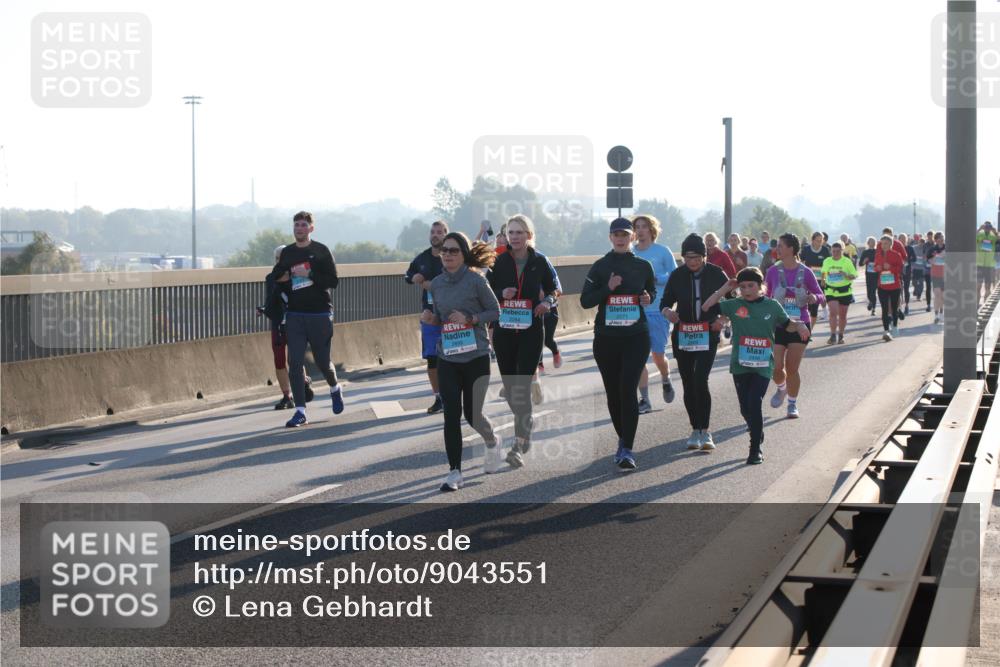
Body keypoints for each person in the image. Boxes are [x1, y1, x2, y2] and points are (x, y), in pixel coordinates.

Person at [702, 267, 810, 464]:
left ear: (761, 286)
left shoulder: (772, 306)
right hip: (740, 364)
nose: (746, 290)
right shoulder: (734, 304)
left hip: (762, 364)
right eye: (742, 287)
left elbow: (787, 324)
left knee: (754, 402)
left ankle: (755, 449)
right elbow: (706, 307)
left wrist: (801, 324)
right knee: (745, 408)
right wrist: (725, 287)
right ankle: (756, 429)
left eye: (751, 286)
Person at [423, 232, 501, 491]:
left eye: (454, 250)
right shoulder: (436, 284)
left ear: (464, 254)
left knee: (472, 414)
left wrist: (470, 319)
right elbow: (440, 317)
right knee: (451, 415)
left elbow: (495, 311)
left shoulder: (476, 281)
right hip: (448, 356)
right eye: (445, 250)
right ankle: (454, 472)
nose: (447, 254)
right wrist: (431, 319)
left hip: (476, 356)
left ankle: (492, 442)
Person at [580, 217, 656, 471]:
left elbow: (650, 291)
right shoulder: (601, 266)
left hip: (636, 336)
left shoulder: (643, 266)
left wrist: (648, 297)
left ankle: (627, 448)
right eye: (616, 234)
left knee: (627, 389)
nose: (621, 238)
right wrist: (607, 288)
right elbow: (585, 301)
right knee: (613, 393)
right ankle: (623, 439)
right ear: (611, 237)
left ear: (632, 237)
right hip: (606, 339)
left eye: (625, 234)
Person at [487, 215, 557, 468]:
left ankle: (518, 443)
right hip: (504, 331)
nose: (514, 236)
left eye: (519, 232)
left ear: (529, 235)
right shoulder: (497, 261)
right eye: (510, 232)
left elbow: (554, 289)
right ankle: (526, 421)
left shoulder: (540, 261)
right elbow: (483, 293)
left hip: (530, 331)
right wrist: (498, 294)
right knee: (510, 387)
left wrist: (546, 303)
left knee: (521, 383)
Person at [268, 211, 343, 427]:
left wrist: (308, 274)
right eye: (296, 225)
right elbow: (276, 276)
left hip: (319, 313)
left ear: (311, 228)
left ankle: (334, 387)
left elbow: (333, 281)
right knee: (295, 362)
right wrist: (285, 276)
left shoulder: (320, 251)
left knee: (322, 362)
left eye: (303, 225)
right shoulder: (288, 253)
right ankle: (300, 410)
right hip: (295, 314)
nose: (299, 229)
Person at [660, 234, 729, 450]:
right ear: (683, 257)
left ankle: (706, 431)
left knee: (701, 379)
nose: (693, 262)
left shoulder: (716, 274)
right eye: (688, 257)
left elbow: (732, 300)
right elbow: (665, 302)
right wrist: (668, 313)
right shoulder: (677, 275)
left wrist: (722, 320)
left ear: (705, 257)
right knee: (688, 382)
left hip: (707, 333)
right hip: (683, 334)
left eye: (697, 257)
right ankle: (695, 429)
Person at [765, 233, 825, 419]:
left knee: (792, 369)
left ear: (791, 249)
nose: (778, 249)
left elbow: (821, 295)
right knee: (775, 367)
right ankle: (782, 388)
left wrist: (814, 297)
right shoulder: (772, 272)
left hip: (800, 324)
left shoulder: (805, 272)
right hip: (778, 324)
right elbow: (765, 296)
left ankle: (792, 403)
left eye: (781, 246)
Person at [631, 214, 677, 413]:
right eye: (637, 227)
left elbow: (675, 275)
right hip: (634, 312)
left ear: (651, 230)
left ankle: (666, 378)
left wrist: (657, 278)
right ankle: (645, 399)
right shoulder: (630, 253)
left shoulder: (662, 251)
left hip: (657, 310)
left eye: (644, 227)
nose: (640, 230)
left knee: (658, 355)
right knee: (638, 357)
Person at [262, 244, 314, 410]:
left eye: (283, 258)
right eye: (277, 259)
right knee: (279, 360)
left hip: (295, 321)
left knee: (294, 359)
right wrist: (264, 309)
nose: (280, 262)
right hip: (278, 323)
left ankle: (303, 383)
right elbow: (270, 300)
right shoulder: (271, 278)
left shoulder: (298, 276)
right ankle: (287, 396)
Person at [404, 220, 447, 414]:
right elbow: (408, 274)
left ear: (446, 234)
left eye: (439, 232)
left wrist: (434, 286)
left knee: (452, 358)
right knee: (432, 359)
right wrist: (413, 278)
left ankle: (454, 395)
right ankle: (438, 397)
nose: (435, 235)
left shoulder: (451, 257)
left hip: (450, 315)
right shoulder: (422, 258)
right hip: (429, 314)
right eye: (433, 232)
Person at [821, 242, 857, 344]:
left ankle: (840, 334)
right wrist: (823, 279)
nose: (835, 253)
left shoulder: (847, 262)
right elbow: (824, 272)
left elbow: (854, 275)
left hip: (845, 292)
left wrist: (846, 275)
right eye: (833, 251)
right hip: (831, 290)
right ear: (831, 251)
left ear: (842, 251)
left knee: (842, 315)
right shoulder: (827, 261)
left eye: (838, 251)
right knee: (833, 313)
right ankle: (832, 335)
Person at [875, 234, 905, 341]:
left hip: (894, 286)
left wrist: (891, 268)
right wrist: (877, 268)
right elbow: (875, 267)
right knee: (884, 309)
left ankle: (895, 326)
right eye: (882, 244)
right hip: (882, 286)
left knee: (894, 308)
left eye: (886, 243)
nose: (883, 246)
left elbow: (901, 268)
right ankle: (886, 331)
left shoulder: (896, 255)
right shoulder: (878, 255)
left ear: (891, 244)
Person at [538, 256, 563, 372]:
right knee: (536, 339)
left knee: (547, 340)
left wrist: (547, 299)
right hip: (532, 310)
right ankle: (539, 364)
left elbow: (558, 290)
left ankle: (556, 351)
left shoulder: (543, 261)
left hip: (550, 309)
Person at [799, 231, 831, 323]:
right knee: (808, 298)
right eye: (818, 240)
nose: (820, 243)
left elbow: (827, 266)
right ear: (812, 240)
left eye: (821, 241)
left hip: (820, 278)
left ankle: (820, 313)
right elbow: (800, 261)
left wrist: (824, 279)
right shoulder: (806, 249)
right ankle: (808, 316)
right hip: (808, 278)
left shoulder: (825, 250)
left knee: (817, 299)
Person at [927, 232, 946, 324]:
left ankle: (942, 314)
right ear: (935, 240)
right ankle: (936, 315)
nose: (940, 239)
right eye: (938, 238)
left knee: (943, 296)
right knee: (937, 295)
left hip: (946, 275)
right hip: (935, 275)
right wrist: (938, 255)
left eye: (942, 237)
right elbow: (930, 261)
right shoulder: (932, 249)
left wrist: (945, 255)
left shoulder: (947, 248)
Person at [976, 221, 997, 306]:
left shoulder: (993, 236)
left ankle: (985, 302)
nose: (987, 228)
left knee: (988, 287)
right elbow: (972, 237)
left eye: (989, 227)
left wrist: (994, 231)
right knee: (978, 286)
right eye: (986, 226)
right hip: (979, 264)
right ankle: (977, 304)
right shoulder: (980, 234)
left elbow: (998, 238)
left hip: (989, 265)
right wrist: (979, 228)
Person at [858, 236, 879, 315]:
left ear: (875, 243)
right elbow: (860, 264)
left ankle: (873, 309)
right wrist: (864, 261)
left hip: (876, 274)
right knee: (869, 292)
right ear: (868, 243)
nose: (872, 244)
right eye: (871, 242)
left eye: (874, 242)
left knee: (873, 291)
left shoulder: (877, 251)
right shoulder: (865, 252)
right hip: (869, 274)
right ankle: (870, 301)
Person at [898, 233, 915, 316]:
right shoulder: (896, 248)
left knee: (906, 289)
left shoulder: (910, 248)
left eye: (904, 239)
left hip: (907, 270)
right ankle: (899, 306)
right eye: (901, 239)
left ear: (907, 240)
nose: (903, 241)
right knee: (899, 289)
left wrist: (908, 259)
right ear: (899, 240)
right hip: (898, 271)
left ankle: (907, 306)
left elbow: (914, 258)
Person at [911, 233, 927, 302]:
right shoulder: (914, 248)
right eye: (920, 243)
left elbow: (926, 259)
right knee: (914, 282)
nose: (921, 245)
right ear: (918, 242)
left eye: (923, 244)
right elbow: (911, 257)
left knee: (921, 283)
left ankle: (919, 296)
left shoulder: (925, 250)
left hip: (921, 269)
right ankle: (915, 289)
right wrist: (911, 266)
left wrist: (925, 267)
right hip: (914, 268)